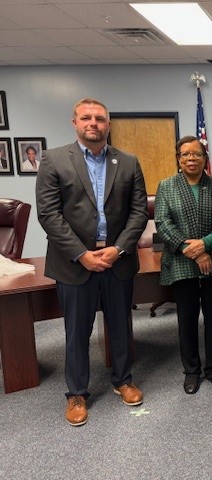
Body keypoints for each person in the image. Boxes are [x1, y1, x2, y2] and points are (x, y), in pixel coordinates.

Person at [36, 98, 148, 427]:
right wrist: (81, 254)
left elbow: (138, 212)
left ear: (108, 124)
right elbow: (49, 214)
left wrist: (119, 249)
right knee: (77, 331)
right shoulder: (54, 159)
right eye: (86, 118)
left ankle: (123, 380)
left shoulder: (128, 161)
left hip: (117, 260)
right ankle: (76, 393)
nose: (93, 123)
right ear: (75, 123)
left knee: (121, 325)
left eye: (99, 118)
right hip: (73, 263)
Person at [155, 135, 212, 395]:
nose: (191, 158)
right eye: (186, 154)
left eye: (197, 154)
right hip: (181, 261)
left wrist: (206, 243)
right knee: (187, 319)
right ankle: (191, 371)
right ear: (178, 159)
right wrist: (191, 250)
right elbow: (163, 224)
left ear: (205, 158)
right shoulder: (166, 186)